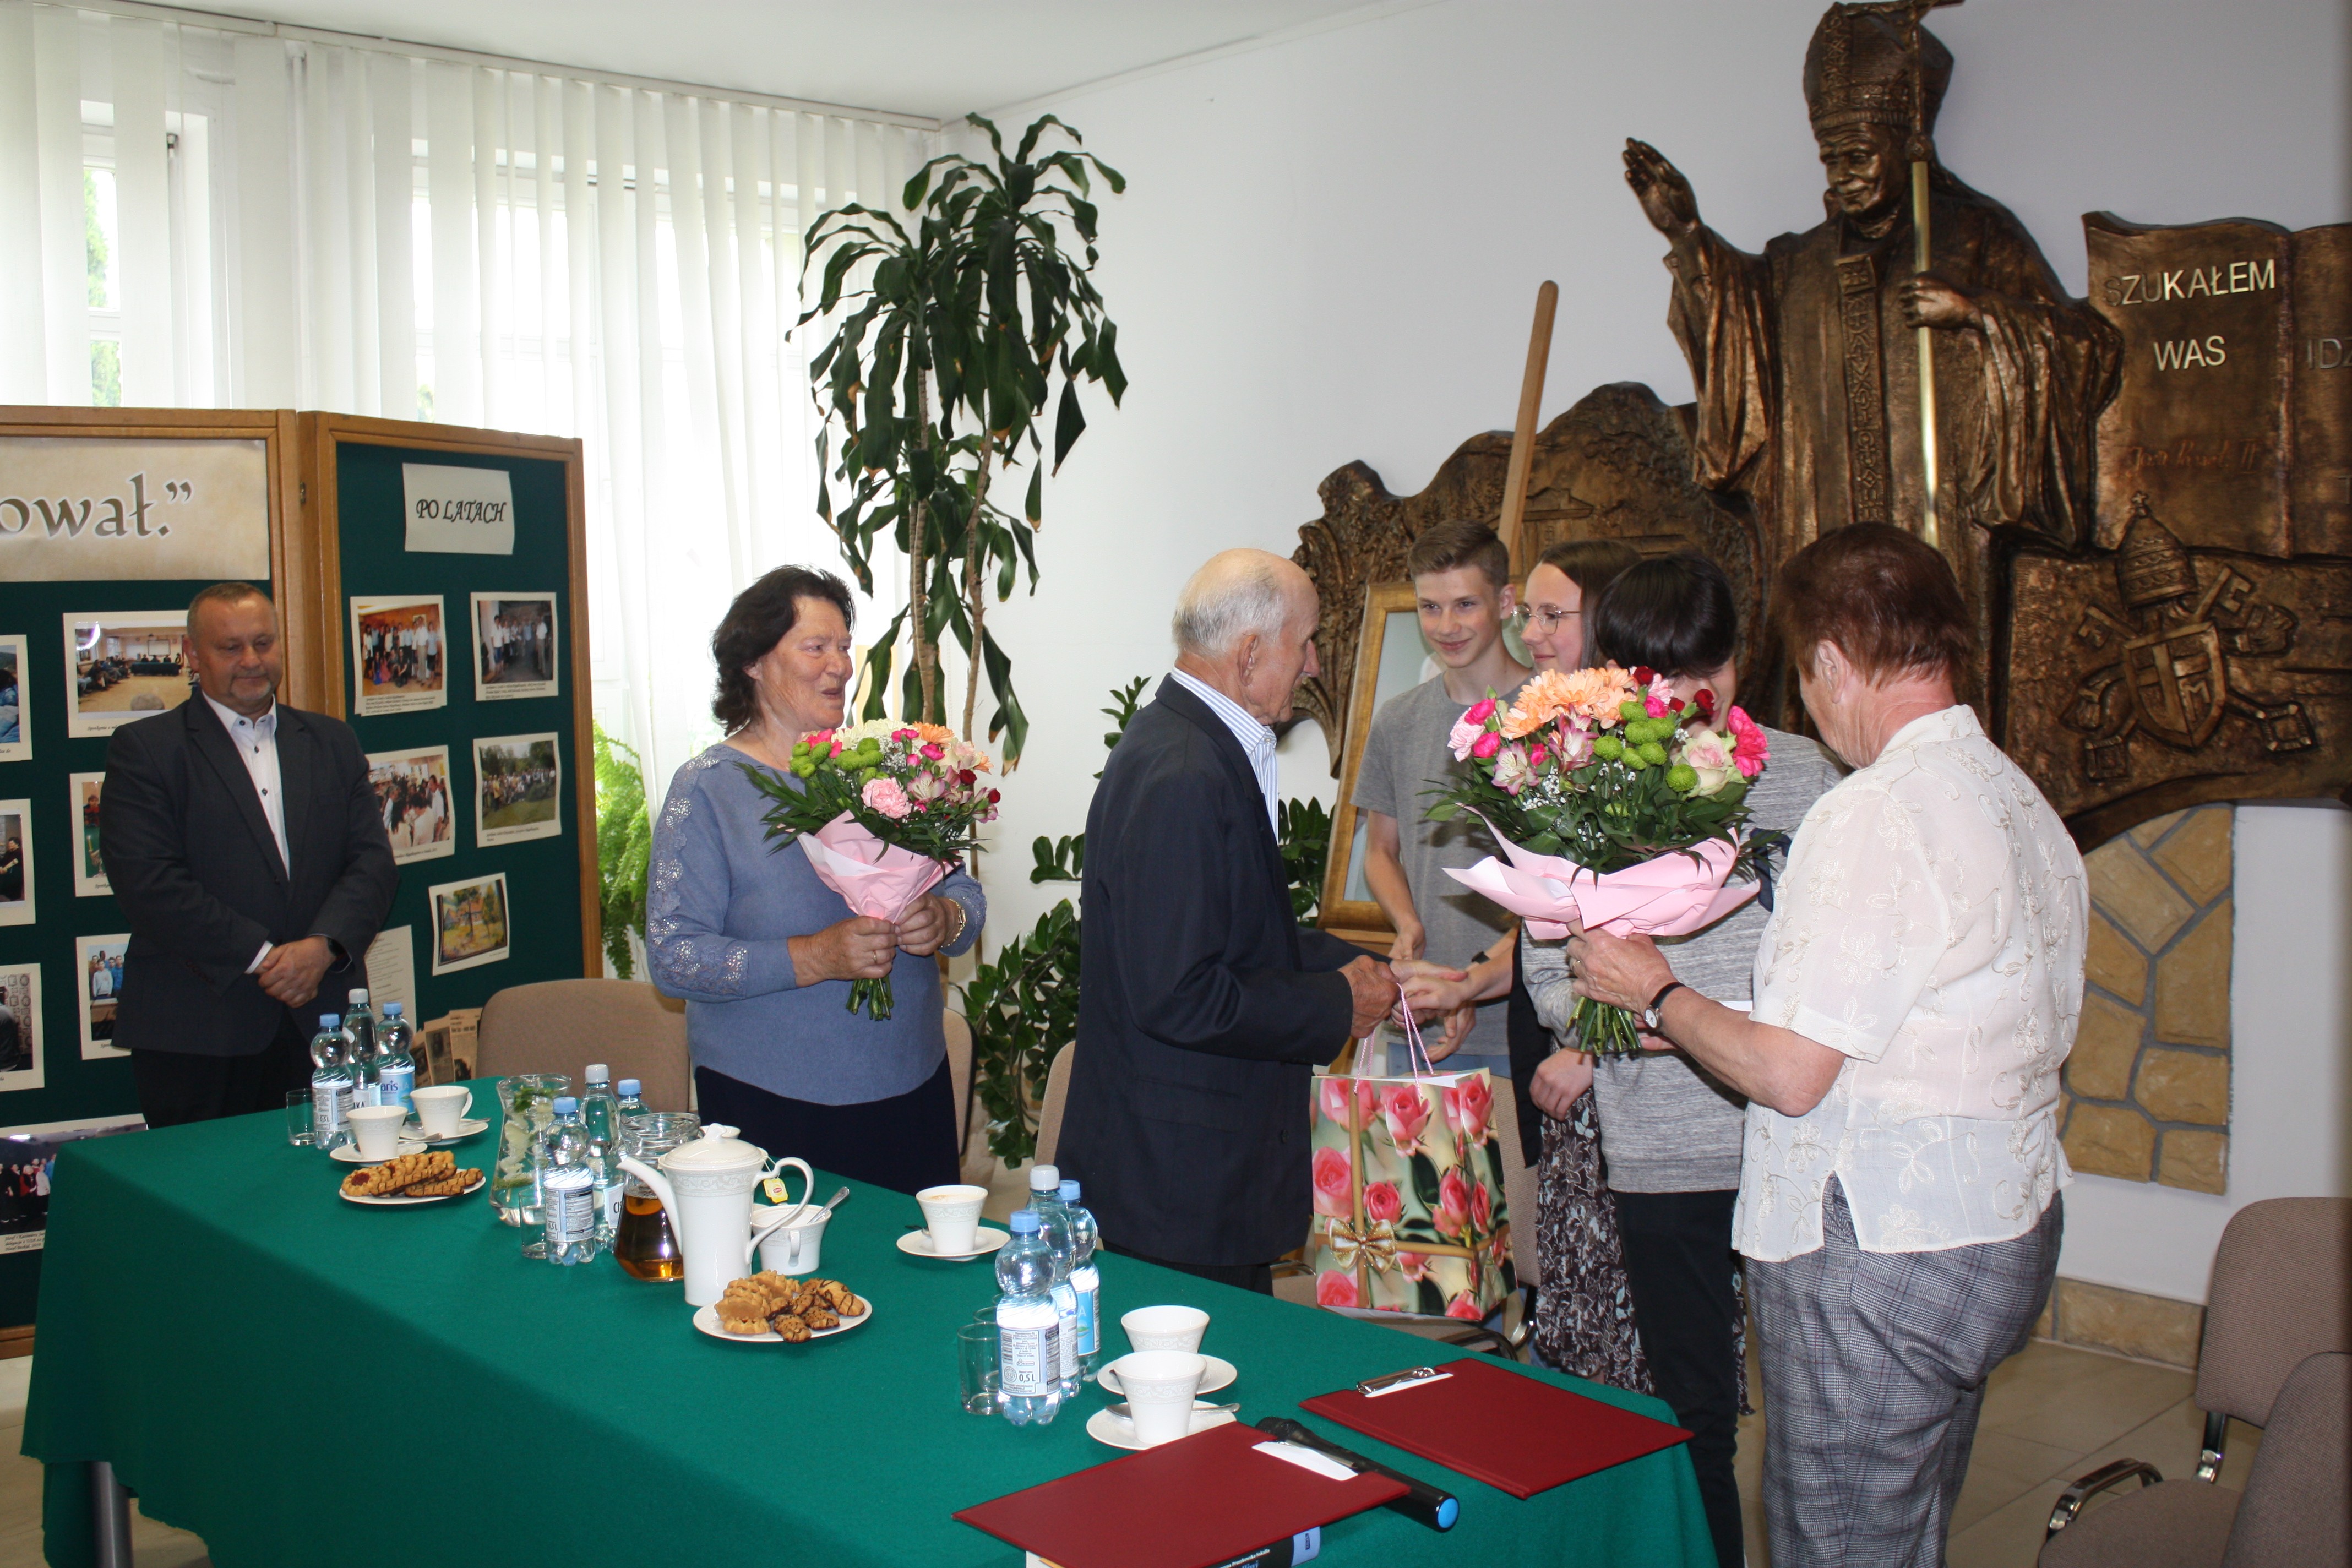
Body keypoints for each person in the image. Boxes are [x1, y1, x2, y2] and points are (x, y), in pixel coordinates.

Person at [1566, 525, 2082, 1568]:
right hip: (1999, 1223)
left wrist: (1652, 988)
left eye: (1806, 675)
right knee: (1908, 1526)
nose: (1808, 703)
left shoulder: (1874, 810)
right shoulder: (2010, 790)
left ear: (1836, 662)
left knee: (1840, 1543)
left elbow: (1788, 1072)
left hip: (1884, 1247)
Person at [1622, 3, 2119, 700]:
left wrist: (1978, 313)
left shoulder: (1974, 236)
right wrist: (1687, 234)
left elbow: (2086, 348)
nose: (1845, 175)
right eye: (1832, 160)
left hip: (1936, 522)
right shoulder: (1800, 262)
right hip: (1820, 510)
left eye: (1859, 156)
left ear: (1907, 143)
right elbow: (1740, 339)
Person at [1519, 551, 1843, 1568]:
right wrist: (1610, 1019)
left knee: (1817, 1415)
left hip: (1795, 1135)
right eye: (1660, 680)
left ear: (1744, 659)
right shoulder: (1578, 775)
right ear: (1613, 676)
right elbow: (1546, 960)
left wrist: (1702, 1010)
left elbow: (1845, 961)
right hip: (1663, 1145)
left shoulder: (1806, 775)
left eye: (1711, 671)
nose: (1693, 700)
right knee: (1691, 1415)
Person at [1058, 549, 1393, 1293]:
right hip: (1180, 1187)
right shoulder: (1184, 771)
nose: (1313, 664)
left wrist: (1379, 973)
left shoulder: (1188, 742)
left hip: (1191, 1174)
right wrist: (1338, 1004)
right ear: (1249, 654)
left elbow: (1234, 930)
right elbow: (1180, 992)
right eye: (1306, 642)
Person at [1393, 537, 1649, 1389]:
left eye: (1551, 616)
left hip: (1618, 1072)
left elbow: (1625, 922)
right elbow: (1547, 912)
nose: (1531, 633)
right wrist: (1470, 978)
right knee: (1541, 1298)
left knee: (1616, 1327)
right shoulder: (1543, 736)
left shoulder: (1629, 744)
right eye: (1530, 614)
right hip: (1543, 1042)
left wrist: (1589, 1042)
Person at [646, 565, 984, 1194]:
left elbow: (963, 891)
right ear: (754, 662)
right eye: (816, 647)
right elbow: (674, 957)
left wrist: (946, 918)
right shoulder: (708, 790)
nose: (841, 666)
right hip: (772, 1104)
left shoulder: (881, 767)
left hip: (913, 1087)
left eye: (845, 647)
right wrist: (815, 957)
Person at [100, 584, 400, 1128]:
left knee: (326, 1179)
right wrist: (266, 958)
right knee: (204, 1182)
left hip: (321, 1026)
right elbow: (150, 884)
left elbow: (373, 865)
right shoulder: (146, 750)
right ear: (193, 655)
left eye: (263, 643)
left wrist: (322, 949)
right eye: (230, 647)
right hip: (198, 1035)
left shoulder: (332, 742)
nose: (251, 661)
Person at [1352, 520, 1529, 1082]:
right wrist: (1407, 923)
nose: (1446, 626)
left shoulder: (1552, 713)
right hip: (1421, 1012)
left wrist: (1472, 980)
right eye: (1430, 607)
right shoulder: (1398, 720)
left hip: (1523, 1015)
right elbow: (1380, 851)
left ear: (1505, 602)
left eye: (1465, 605)